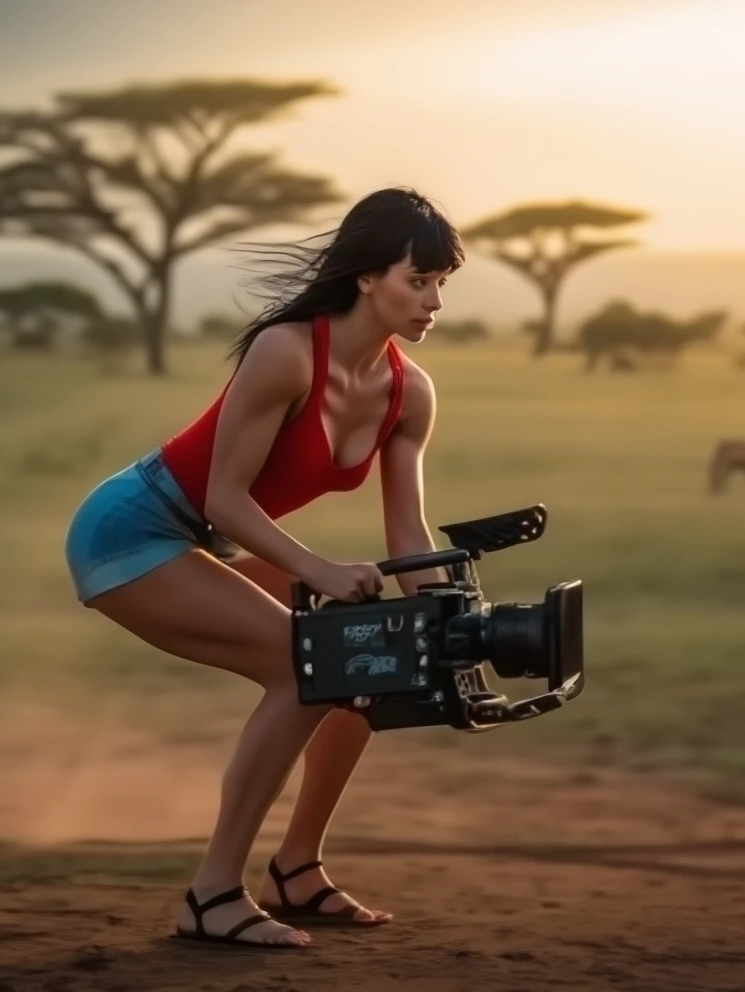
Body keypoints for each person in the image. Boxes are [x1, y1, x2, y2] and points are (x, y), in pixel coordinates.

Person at [63, 186, 465, 948]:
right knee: (306, 664)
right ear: (367, 279)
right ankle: (212, 895)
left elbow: (408, 530)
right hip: (130, 530)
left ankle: (297, 871)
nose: (434, 301)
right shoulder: (286, 352)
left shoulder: (410, 392)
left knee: (365, 656)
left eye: (443, 282)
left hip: (197, 543)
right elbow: (223, 500)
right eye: (419, 280)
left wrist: (450, 621)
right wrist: (317, 565)